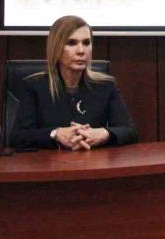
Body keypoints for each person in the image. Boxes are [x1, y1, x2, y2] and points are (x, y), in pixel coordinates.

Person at [10, 15, 138, 149]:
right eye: (72, 43)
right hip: (51, 161)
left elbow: (130, 131)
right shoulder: (35, 86)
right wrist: (55, 134)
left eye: (86, 43)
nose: (81, 51)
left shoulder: (105, 86)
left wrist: (104, 133)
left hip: (93, 160)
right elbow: (18, 137)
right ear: (56, 48)